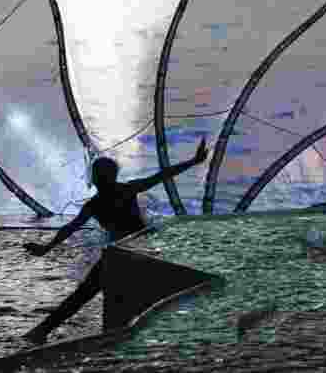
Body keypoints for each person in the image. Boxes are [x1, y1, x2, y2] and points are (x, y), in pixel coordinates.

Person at [21, 138, 210, 345]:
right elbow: (162, 176)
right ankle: (43, 330)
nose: (97, 177)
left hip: (127, 254)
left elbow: (70, 227)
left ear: (100, 177)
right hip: (132, 253)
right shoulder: (116, 195)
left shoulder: (106, 199)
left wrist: (46, 248)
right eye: (97, 173)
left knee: (86, 294)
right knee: (94, 295)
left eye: (98, 174)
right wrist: (193, 161)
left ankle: (43, 330)